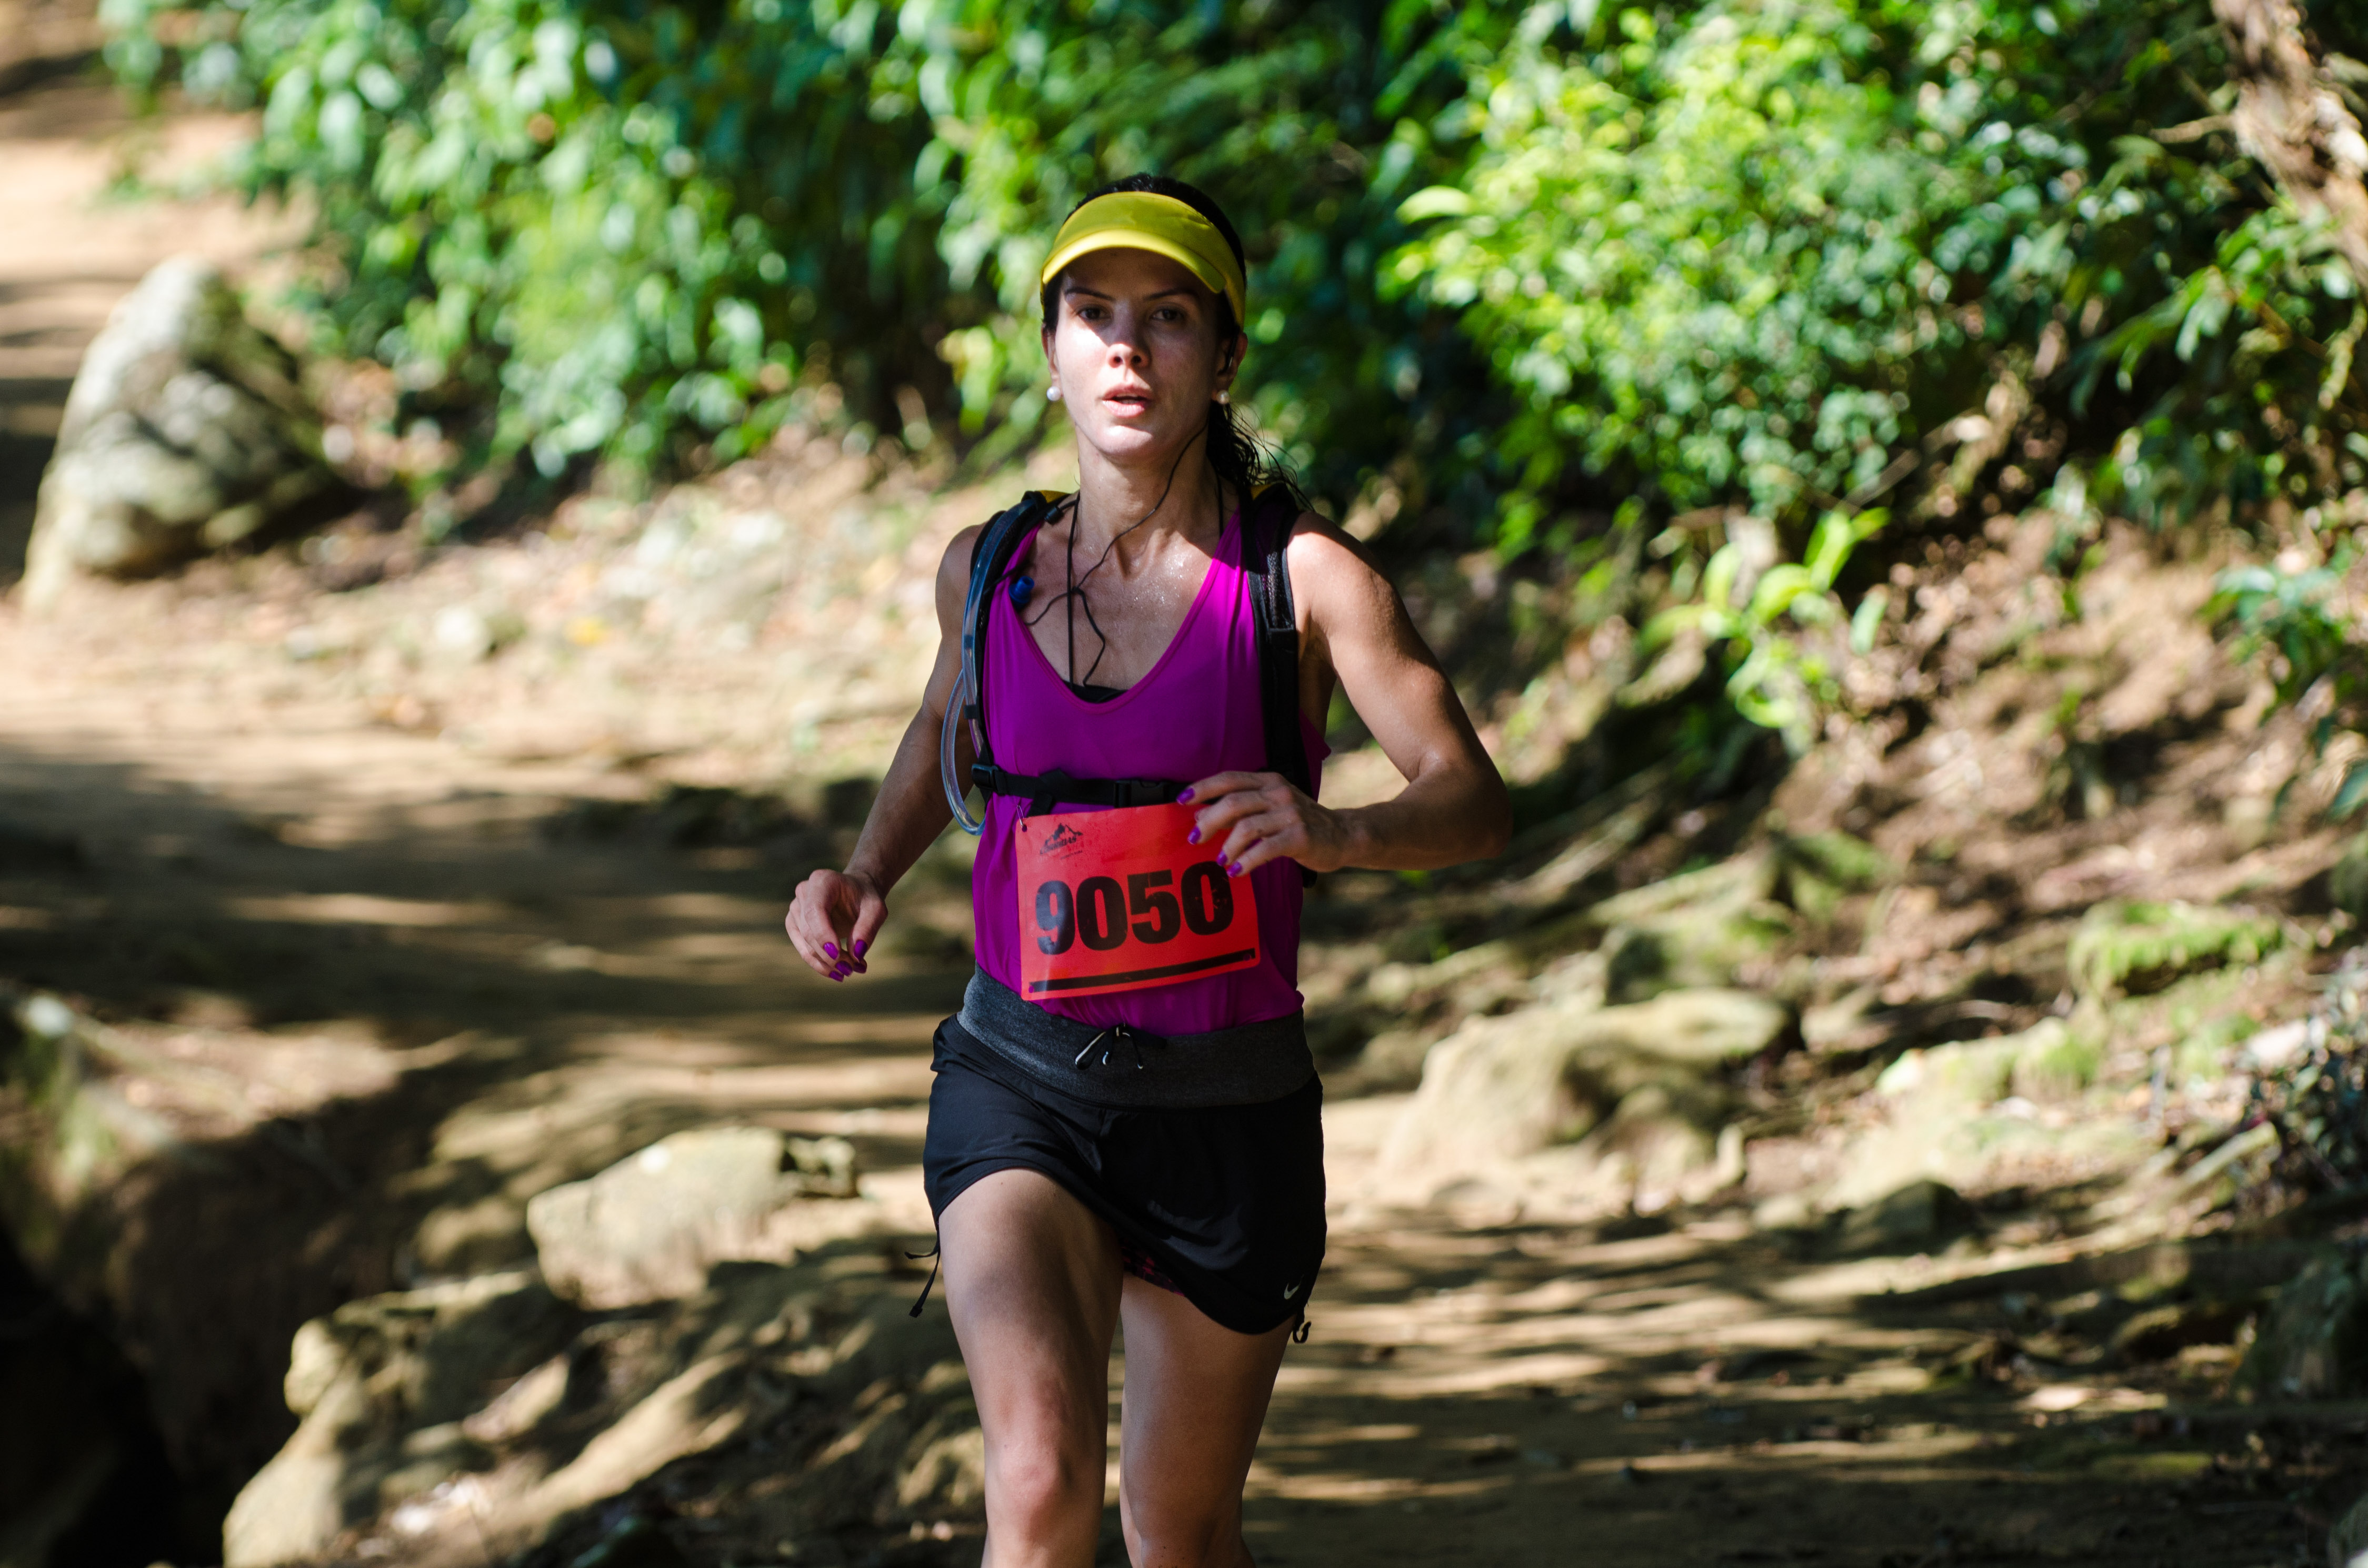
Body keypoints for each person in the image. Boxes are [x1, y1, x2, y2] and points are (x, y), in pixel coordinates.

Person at [784, 175, 1508, 1568]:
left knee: (1175, 1530)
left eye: (1167, 317)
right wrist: (868, 869)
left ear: (1221, 355)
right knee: (1038, 1483)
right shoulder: (985, 568)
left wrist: (1335, 827)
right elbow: (944, 725)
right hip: (1020, 1082)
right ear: (1050, 347)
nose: (1126, 348)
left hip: (1225, 1109)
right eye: (1092, 315)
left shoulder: (1303, 585)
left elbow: (1471, 801)